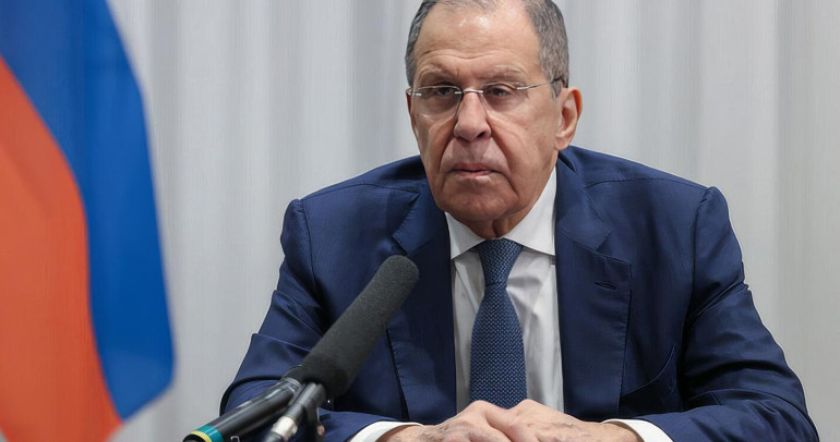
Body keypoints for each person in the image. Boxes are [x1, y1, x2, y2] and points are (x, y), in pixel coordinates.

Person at [223, 0, 818, 440]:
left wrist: (613, 437)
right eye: (442, 92)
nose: (468, 124)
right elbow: (254, 412)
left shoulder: (675, 227)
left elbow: (777, 417)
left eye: (502, 90)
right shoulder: (331, 234)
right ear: (412, 115)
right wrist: (406, 439)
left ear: (564, 116)